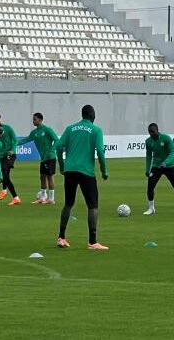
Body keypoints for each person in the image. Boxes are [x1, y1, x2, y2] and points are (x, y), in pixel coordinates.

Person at [55, 105, 109, 250]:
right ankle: (92, 241)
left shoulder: (70, 128)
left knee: (68, 204)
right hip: (86, 171)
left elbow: (58, 147)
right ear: (93, 116)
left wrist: (62, 165)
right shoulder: (96, 130)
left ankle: (61, 237)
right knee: (93, 206)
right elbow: (100, 151)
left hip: (70, 170)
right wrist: (104, 170)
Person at [143, 123, 174, 215]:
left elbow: (172, 152)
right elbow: (149, 155)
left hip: (170, 166)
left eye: (153, 132)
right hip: (156, 167)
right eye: (149, 132)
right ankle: (151, 208)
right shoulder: (148, 141)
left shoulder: (166, 138)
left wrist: (166, 162)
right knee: (150, 187)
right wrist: (147, 169)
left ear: (157, 130)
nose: (151, 134)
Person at [17, 112, 59, 205]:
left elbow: (56, 140)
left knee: (50, 177)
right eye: (33, 119)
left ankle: (51, 199)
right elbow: (25, 140)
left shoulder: (47, 130)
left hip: (50, 157)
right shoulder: (34, 133)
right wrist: (13, 143)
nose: (33, 121)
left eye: (35, 119)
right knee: (42, 177)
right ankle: (42, 197)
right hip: (43, 158)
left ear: (40, 120)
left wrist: (51, 150)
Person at [0, 111, 21, 206]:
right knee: (5, 174)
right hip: (0, 155)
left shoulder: (7, 128)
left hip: (9, 154)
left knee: (4, 171)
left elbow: (15, 140)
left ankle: (14, 197)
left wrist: (12, 150)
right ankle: (5, 191)